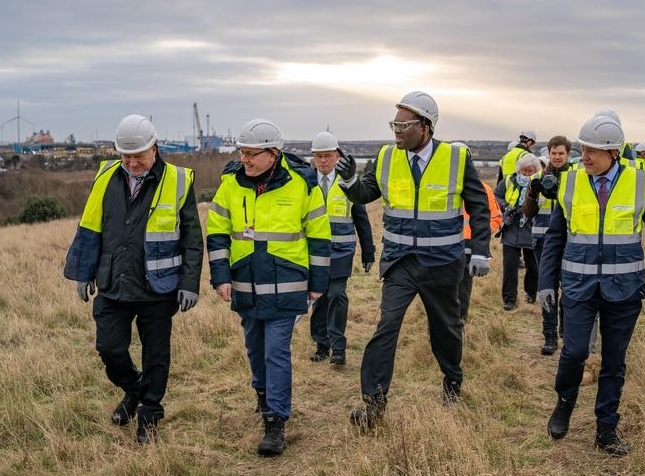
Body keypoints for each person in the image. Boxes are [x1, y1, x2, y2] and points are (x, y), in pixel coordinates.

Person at [335, 91, 492, 430]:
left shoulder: (456, 158)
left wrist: (480, 249)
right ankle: (373, 405)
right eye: (393, 124)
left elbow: (479, 206)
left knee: (446, 329)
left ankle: (452, 380)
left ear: (425, 127)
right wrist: (349, 181)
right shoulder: (387, 157)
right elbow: (365, 193)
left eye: (402, 125)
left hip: (443, 263)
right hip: (400, 262)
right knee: (386, 327)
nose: (396, 131)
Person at [538, 114, 645, 456]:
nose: (583, 156)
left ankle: (606, 430)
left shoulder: (639, 182)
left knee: (614, 361)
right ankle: (565, 401)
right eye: (582, 149)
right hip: (578, 286)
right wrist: (545, 283)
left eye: (592, 151)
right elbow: (555, 236)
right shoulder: (570, 182)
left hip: (624, 288)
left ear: (613, 152)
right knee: (573, 352)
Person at [63, 114, 203, 444]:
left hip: (160, 285)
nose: (132, 162)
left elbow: (192, 238)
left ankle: (150, 412)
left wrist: (189, 282)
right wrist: (83, 272)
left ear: (154, 148)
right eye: (126, 156)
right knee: (109, 348)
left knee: (156, 354)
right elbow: (90, 226)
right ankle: (134, 389)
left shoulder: (178, 181)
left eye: (138, 155)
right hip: (114, 282)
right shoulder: (106, 177)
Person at [206, 119, 331, 456]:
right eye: (242, 152)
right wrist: (220, 277)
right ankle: (262, 395)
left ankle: (275, 421)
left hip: (287, 285)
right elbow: (217, 233)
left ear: (273, 153)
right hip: (246, 285)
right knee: (255, 348)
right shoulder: (230, 185)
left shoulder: (303, 185)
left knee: (276, 351)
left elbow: (320, 236)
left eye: (252, 154)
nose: (245, 159)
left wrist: (318, 284)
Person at [308, 131, 375, 365]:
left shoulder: (348, 182)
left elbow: (361, 219)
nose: (323, 161)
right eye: (319, 156)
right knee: (319, 297)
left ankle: (338, 347)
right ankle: (321, 344)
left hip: (341, 251)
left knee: (336, 294)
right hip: (314, 252)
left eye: (327, 156)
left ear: (337, 156)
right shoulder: (306, 182)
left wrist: (368, 251)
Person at [523, 135, 571, 354]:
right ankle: (549, 336)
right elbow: (528, 213)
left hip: (570, 242)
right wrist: (532, 194)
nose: (558, 157)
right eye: (554, 153)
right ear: (549, 154)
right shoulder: (538, 177)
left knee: (569, 288)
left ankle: (566, 331)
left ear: (568, 155)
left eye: (561, 153)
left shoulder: (575, 178)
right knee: (547, 289)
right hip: (542, 241)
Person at [450, 142, 502, 323]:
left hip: (468, 247)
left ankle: (460, 323)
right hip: (443, 247)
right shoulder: (440, 186)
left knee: (463, 289)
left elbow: (496, 217)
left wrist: (480, 239)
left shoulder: (483, 189)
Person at [495, 153, 540, 311]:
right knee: (510, 268)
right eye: (524, 170)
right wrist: (505, 206)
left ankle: (531, 293)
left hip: (531, 230)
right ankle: (509, 299)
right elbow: (497, 195)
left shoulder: (539, 184)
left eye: (530, 171)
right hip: (511, 229)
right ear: (519, 169)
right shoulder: (507, 181)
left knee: (533, 268)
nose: (527, 173)